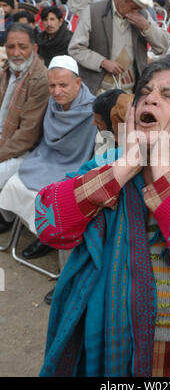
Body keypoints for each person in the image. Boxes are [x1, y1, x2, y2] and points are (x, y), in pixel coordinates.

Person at [36, 56, 170, 377]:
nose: (151, 98)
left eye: (168, 95)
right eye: (145, 93)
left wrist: (162, 167)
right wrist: (128, 163)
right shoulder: (111, 163)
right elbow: (50, 224)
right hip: (111, 340)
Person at [0, 54, 97, 259]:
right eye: (52, 86)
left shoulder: (94, 111)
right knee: (14, 182)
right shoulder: (52, 104)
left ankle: (46, 238)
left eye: (63, 85)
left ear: (78, 83)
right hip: (44, 158)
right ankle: (40, 233)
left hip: (74, 166)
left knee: (49, 197)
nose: (56, 91)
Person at [68, 0, 169, 95]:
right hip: (98, 91)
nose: (136, 12)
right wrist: (102, 62)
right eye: (133, 8)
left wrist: (147, 27)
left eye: (139, 9)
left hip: (131, 92)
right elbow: (75, 48)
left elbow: (163, 46)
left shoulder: (143, 15)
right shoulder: (93, 12)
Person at [0, 23, 49, 232]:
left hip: (24, 150)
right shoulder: (7, 70)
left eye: (23, 46)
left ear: (34, 49)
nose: (16, 53)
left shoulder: (40, 79)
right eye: (11, 47)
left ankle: (6, 217)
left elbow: (27, 136)